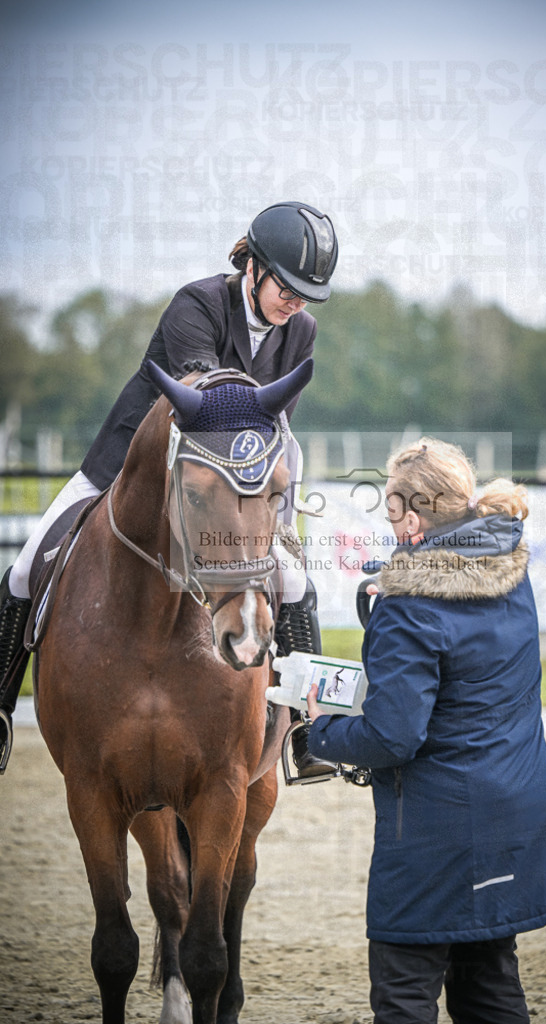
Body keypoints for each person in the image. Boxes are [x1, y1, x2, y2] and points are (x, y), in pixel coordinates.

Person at [0, 200, 338, 778]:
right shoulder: (198, 304)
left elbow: (276, 426)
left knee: (296, 579)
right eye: (288, 285)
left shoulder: (299, 331)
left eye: (308, 293)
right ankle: (2, 708)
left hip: (226, 489)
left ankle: (306, 731)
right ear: (253, 266)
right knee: (28, 568)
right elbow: (208, 401)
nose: (296, 302)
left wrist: (273, 510)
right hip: (130, 467)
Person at [306, 437, 546, 1024]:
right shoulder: (509, 572)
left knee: (405, 992)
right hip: (518, 815)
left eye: (393, 509)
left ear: (415, 515)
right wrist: (395, 592)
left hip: (438, 836)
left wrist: (316, 731)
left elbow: (392, 737)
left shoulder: (409, 606)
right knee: (490, 987)